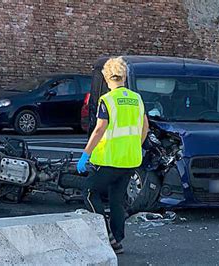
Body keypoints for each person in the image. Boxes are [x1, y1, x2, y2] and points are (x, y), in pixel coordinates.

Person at [76, 56, 149, 254]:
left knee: (89, 192)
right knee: (117, 199)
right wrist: (134, 145)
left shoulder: (107, 100)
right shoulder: (137, 99)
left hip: (109, 160)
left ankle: (105, 232)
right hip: (130, 160)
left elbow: (100, 130)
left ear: (107, 78)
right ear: (124, 77)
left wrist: (85, 155)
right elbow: (145, 128)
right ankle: (117, 240)